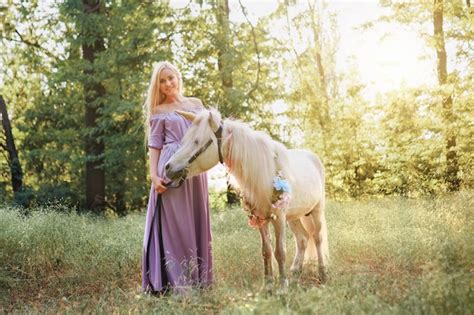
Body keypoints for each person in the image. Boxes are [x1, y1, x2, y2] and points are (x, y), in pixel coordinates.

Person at [141, 61, 212, 294]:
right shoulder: (159, 111)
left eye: (171, 78)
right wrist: (153, 175)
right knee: (177, 224)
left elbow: (209, 135)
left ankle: (200, 280)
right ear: (158, 86)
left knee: (196, 219)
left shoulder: (196, 104)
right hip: (171, 167)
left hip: (195, 167)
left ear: (178, 77)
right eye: (162, 81)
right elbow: (155, 146)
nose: (168, 83)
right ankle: (178, 283)